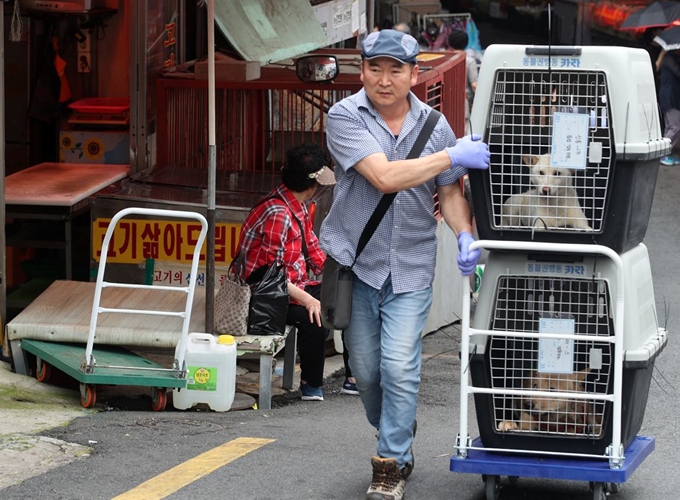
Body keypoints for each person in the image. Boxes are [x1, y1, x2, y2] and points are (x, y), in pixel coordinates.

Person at [319, 29, 490, 500]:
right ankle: (397, 423)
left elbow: (451, 191)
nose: (385, 79)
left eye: (397, 70)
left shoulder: (435, 125)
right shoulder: (344, 115)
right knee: (368, 372)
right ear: (363, 70)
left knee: (399, 366)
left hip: (412, 264)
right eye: (376, 67)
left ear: (415, 74)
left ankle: (390, 463)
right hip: (358, 266)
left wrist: (464, 235)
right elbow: (383, 176)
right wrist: (450, 155)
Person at [235, 143, 336, 401]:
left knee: (342, 297)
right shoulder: (278, 212)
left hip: (290, 287)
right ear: (313, 184)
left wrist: (341, 277)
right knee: (315, 317)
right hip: (262, 296)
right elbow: (273, 275)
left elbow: (314, 251)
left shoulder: (297, 204)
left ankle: (355, 376)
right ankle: (311, 385)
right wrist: (309, 298)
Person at [447, 28, 478, 135]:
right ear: (466, 43)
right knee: (463, 131)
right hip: (463, 101)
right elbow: (474, 85)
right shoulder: (469, 61)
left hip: (446, 100)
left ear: (450, 43)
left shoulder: (445, 60)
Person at [657, 49, 680, 166]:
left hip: (673, 98)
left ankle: (665, 152)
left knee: (671, 127)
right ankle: (661, 155)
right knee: (674, 127)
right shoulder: (670, 59)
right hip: (670, 98)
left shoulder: (674, 58)